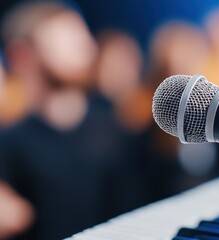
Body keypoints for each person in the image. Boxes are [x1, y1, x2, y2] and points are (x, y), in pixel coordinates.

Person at [0, 1, 152, 239]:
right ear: (22, 55)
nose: (85, 46)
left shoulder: (118, 126)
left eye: (82, 35)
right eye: (65, 38)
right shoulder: (9, 144)